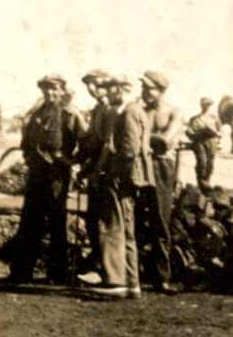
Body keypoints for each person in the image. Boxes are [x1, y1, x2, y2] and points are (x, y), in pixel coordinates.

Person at [8, 74, 84, 285]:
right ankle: (21, 271)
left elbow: (86, 141)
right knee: (30, 220)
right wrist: (28, 156)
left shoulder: (70, 113)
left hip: (57, 175)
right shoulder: (37, 113)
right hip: (37, 172)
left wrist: (71, 161)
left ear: (62, 90)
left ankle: (57, 273)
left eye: (54, 89)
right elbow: (26, 141)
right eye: (46, 89)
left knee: (57, 221)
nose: (49, 93)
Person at [92, 75, 146, 298]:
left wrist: (118, 175)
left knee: (116, 227)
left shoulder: (129, 112)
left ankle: (119, 281)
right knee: (124, 227)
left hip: (122, 177)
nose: (109, 92)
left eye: (113, 88)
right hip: (122, 175)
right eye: (108, 88)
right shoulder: (123, 111)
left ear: (125, 89)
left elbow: (130, 149)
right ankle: (131, 283)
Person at [137, 71, 183, 293]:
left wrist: (141, 138)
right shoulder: (142, 111)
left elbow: (165, 142)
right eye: (143, 88)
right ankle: (134, 273)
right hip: (140, 165)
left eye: (149, 88)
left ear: (160, 89)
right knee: (136, 218)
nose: (144, 92)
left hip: (161, 168)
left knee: (160, 221)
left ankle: (161, 277)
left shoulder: (174, 112)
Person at [74, 69, 115, 277]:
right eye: (88, 85)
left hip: (107, 170)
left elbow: (107, 144)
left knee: (103, 221)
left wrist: (95, 171)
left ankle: (105, 267)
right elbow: (91, 141)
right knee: (92, 219)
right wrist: (80, 162)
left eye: (96, 84)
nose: (91, 89)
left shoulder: (111, 109)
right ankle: (98, 261)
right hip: (95, 168)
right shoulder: (98, 109)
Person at [187, 97, 220, 191]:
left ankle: (207, 182)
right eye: (205, 105)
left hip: (211, 142)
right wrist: (195, 133)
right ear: (201, 105)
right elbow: (189, 132)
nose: (206, 107)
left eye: (208, 105)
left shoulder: (214, 118)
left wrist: (216, 134)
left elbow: (220, 130)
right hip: (199, 142)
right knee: (202, 163)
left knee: (210, 163)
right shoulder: (195, 119)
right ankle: (201, 184)